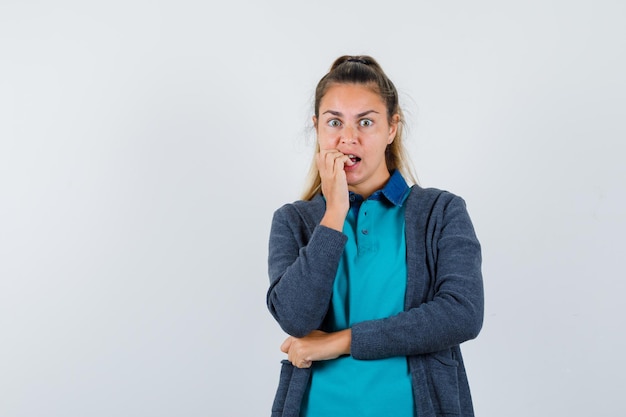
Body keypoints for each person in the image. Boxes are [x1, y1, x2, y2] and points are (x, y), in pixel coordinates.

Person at [266, 55, 483, 417]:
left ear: (392, 128)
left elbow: (462, 313)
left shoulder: (441, 212)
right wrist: (333, 213)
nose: (348, 138)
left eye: (366, 122)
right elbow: (296, 319)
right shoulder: (294, 221)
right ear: (317, 127)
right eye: (335, 122)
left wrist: (339, 342)